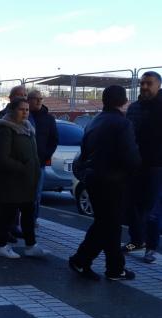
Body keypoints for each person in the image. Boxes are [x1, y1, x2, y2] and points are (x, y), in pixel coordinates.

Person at [69, 85, 141, 280]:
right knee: (107, 225)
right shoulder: (122, 123)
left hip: (94, 179)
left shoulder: (95, 121)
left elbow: (84, 151)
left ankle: (115, 268)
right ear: (124, 101)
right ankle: (81, 259)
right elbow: (130, 156)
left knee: (108, 224)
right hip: (113, 181)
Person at [0, 97, 45, 259]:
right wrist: (23, 167)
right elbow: (2, 158)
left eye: (27, 110)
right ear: (12, 110)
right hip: (10, 182)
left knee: (28, 215)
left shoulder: (28, 128)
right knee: (5, 215)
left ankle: (30, 245)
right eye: (22, 109)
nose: (25, 112)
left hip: (27, 182)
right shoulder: (5, 129)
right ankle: (2, 245)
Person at [122, 71, 162, 263]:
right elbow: (129, 135)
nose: (144, 87)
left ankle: (152, 247)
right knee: (132, 206)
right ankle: (136, 241)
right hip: (135, 165)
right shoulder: (135, 108)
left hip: (156, 166)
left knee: (152, 209)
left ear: (158, 85)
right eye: (142, 83)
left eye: (149, 83)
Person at [26, 90, 58, 222]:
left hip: (39, 162)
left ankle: (32, 220)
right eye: (35, 98)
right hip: (22, 162)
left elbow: (54, 140)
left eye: (41, 98)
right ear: (28, 100)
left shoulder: (48, 119)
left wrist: (45, 155)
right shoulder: (23, 115)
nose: (39, 101)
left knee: (36, 194)